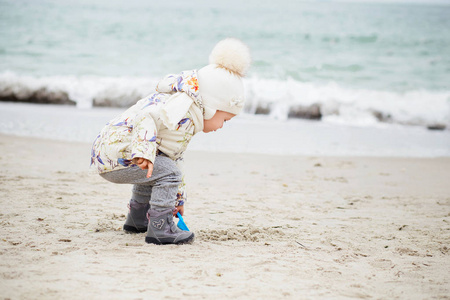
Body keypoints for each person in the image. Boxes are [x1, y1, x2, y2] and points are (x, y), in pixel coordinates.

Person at [90, 38, 251, 245]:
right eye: (225, 119)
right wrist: (143, 151)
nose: (222, 126)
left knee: (160, 169)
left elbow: (174, 160)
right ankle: (160, 228)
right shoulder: (178, 110)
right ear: (212, 106)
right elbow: (145, 118)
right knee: (164, 169)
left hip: (111, 153)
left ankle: (138, 218)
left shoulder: (188, 117)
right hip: (118, 154)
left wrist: (177, 200)